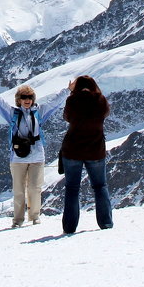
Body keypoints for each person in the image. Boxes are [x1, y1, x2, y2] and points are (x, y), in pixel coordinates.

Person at [0, 75, 49, 227]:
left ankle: (35, 216)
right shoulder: (13, 114)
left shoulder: (39, 112)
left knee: (35, 188)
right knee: (19, 190)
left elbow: (56, 102)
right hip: (18, 157)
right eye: (24, 97)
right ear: (19, 100)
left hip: (36, 156)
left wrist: (68, 91)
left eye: (29, 97)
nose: (27, 100)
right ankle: (18, 220)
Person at [60, 74, 113, 233]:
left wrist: (71, 93)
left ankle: (69, 227)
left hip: (73, 149)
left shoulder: (72, 100)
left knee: (72, 188)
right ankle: (106, 223)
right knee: (100, 186)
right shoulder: (101, 100)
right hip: (95, 149)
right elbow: (105, 114)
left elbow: (67, 117)